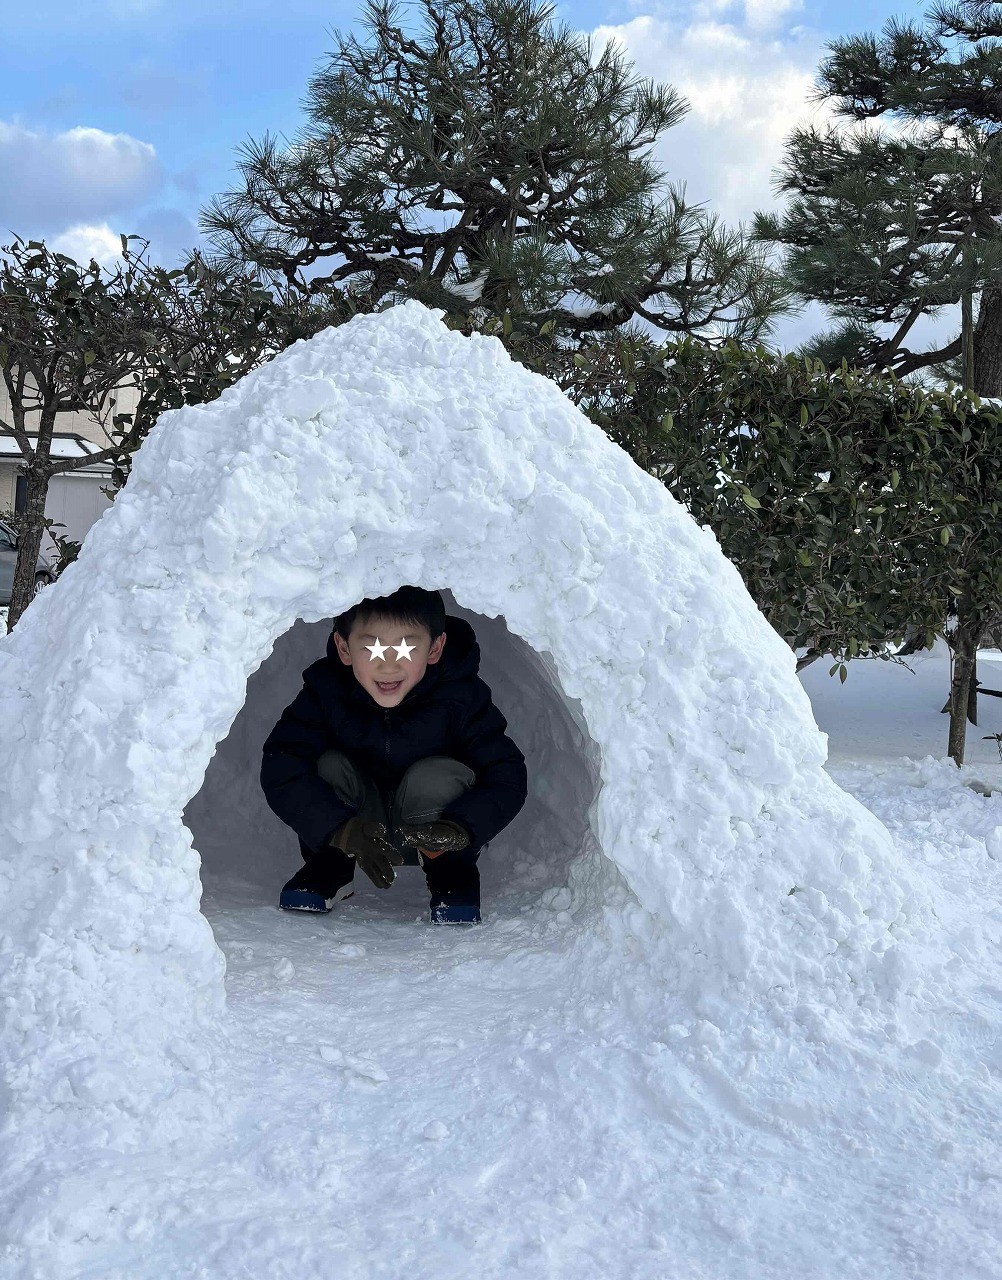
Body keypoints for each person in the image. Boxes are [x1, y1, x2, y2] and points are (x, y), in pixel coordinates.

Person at [260, 586, 528, 925]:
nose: (388, 665)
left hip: (433, 826)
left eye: (407, 644)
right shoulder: (326, 691)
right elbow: (283, 763)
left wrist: (462, 828)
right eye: (371, 645)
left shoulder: (460, 697)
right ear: (344, 648)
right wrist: (338, 829)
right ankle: (331, 865)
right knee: (326, 764)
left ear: (435, 648)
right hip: (357, 829)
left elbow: (505, 773)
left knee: (437, 774)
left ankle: (449, 870)